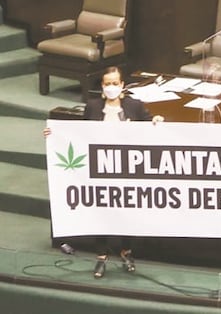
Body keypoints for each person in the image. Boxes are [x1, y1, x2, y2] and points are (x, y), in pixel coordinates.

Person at [44, 67, 163, 278]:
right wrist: (54, 134)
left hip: (127, 170)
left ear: (122, 85)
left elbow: (149, 124)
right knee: (101, 211)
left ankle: (127, 251)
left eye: (115, 83)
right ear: (102, 86)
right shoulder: (93, 106)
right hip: (99, 170)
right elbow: (79, 134)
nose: (111, 87)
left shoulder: (134, 106)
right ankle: (101, 256)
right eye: (107, 84)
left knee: (126, 211)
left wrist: (155, 121)